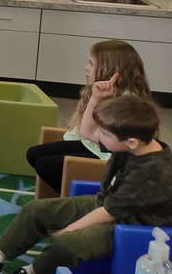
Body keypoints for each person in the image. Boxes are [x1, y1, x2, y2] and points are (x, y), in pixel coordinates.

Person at [0, 95, 172, 274]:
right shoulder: (130, 142)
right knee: (36, 210)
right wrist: (96, 98)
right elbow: (88, 133)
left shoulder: (154, 172)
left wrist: (70, 229)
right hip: (110, 205)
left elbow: (110, 213)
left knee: (67, 243)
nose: (98, 135)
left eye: (104, 133)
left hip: (135, 226)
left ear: (132, 142)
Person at [26, 40, 151, 194]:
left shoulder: (125, 102)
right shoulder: (102, 90)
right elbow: (84, 133)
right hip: (94, 144)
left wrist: (95, 99)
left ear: (110, 68)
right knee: (34, 154)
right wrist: (95, 98)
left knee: (45, 165)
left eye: (91, 64)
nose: (86, 68)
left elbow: (92, 135)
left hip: (109, 156)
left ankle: (83, 198)